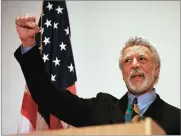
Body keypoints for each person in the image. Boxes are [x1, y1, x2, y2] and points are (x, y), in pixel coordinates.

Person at [14, 15, 180, 135]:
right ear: (123, 73)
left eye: (142, 59)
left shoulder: (177, 119)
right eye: (128, 61)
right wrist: (28, 47)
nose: (135, 64)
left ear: (156, 70)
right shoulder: (102, 108)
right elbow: (49, 98)